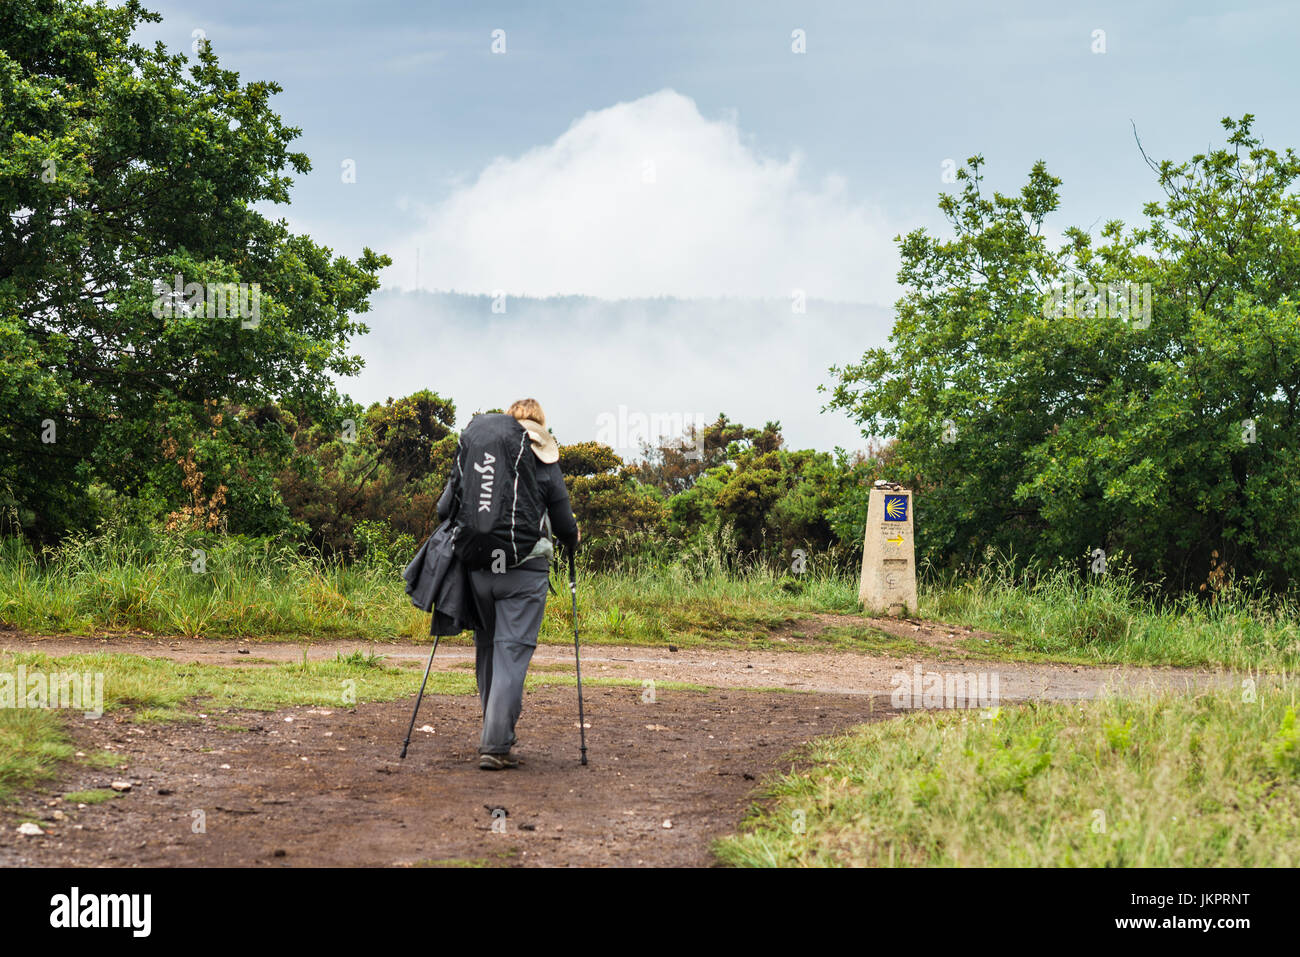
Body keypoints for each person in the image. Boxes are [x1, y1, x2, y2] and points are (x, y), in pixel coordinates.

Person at [436, 398, 579, 770]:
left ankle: (495, 733)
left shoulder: (485, 456)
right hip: (524, 572)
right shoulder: (543, 459)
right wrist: (572, 539)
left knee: (487, 649)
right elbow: (563, 523)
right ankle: (496, 745)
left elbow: (442, 509)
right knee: (511, 653)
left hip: (478, 571)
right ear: (541, 427)